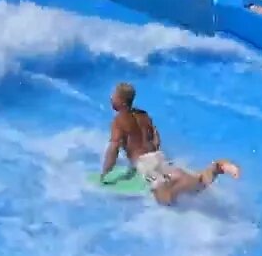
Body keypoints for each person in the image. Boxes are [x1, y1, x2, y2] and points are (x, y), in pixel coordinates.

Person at [100, 83, 240, 206]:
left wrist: (105, 172)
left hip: (145, 163)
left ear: (122, 101)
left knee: (164, 199)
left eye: (114, 96)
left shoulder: (118, 121)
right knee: (197, 185)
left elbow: (114, 149)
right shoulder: (143, 115)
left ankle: (177, 181)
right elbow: (156, 138)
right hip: (158, 156)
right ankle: (216, 167)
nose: (111, 98)